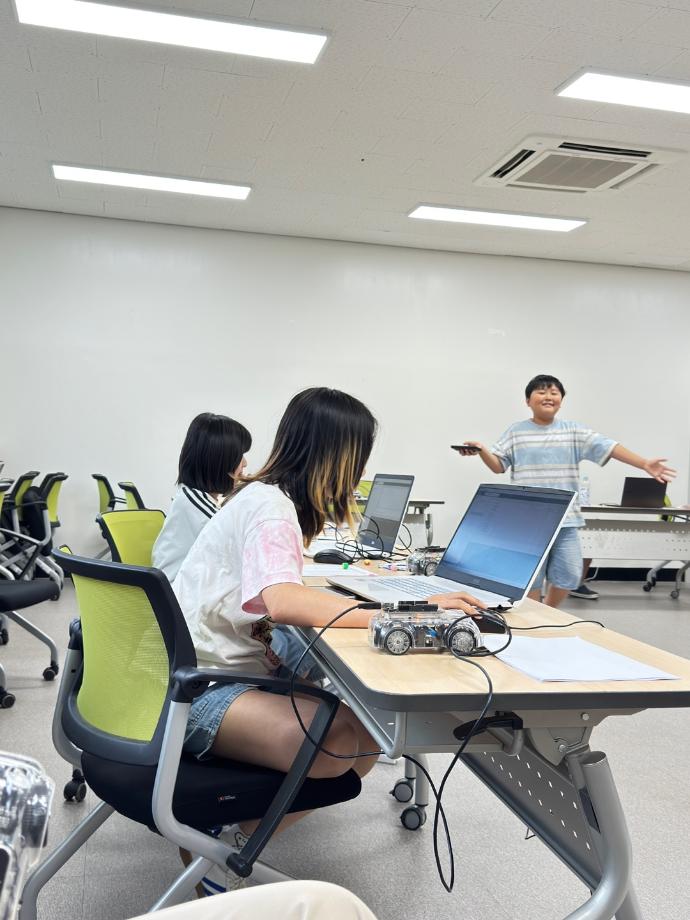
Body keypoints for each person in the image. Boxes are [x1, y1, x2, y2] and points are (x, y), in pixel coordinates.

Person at [174, 387, 483, 894]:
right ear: (336, 456)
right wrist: (399, 610)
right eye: (358, 458)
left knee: (369, 737)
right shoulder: (270, 507)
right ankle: (224, 847)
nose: (358, 474)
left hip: (207, 674)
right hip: (197, 692)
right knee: (343, 741)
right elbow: (282, 602)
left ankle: (232, 837)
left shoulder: (262, 497)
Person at [457, 374, 676, 609]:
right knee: (531, 579)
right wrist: (481, 450)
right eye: (541, 392)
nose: (548, 396)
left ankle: (548, 612)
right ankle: (534, 620)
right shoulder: (516, 431)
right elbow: (498, 466)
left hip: (566, 518)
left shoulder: (573, 431)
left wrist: (643, 463)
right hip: (526, 521)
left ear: (561, 401)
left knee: (570, 575)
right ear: (528, 400)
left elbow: (609, 446)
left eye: (554, 392)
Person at [152, 412, 251, 581]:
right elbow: (242, 548)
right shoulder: (195, 506)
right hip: (178, 594)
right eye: (239, 455)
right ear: (219, 461)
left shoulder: (191, 497)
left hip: (188, 589)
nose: (245, 463)